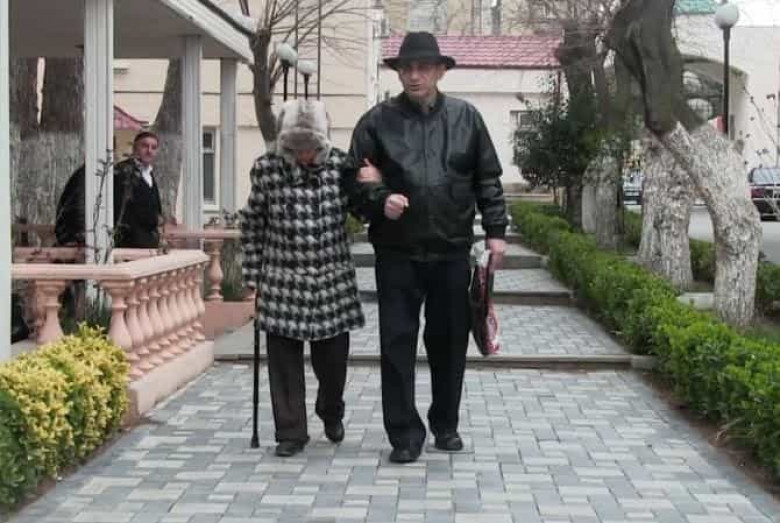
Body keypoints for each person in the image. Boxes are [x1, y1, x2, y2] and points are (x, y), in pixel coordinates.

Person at [349, 31, 508, 463]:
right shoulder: (375, 122)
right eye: (407, 68)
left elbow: (487, 179)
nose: (414, 75)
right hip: (397, 253)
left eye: (423, 68)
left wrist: (496, 232)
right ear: (398, 73)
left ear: (440, 71)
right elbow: (353, 183)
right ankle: (404, 435)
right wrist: (380, 200)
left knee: (450, 342)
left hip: (451, 250)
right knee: (397, 344)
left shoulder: (466, 118)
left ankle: (446, 424)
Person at [240, 99, 366, 458]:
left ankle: (331, 409)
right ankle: (291, 432)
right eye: (297, 149)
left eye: (311, 148)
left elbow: (361, 210)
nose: (305, 155)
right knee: (283, 364)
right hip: (282, 280)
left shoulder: (340, 165)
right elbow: (253, 224)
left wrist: (373, 186)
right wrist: (252, 275)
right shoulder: (266, 169)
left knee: (333, 363)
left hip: (331, 281)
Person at [54, 131, 163, 249]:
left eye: (153, 147)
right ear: (134, 148)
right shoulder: (121, 173)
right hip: (126, 242)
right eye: (145, 146)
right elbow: (81, 205)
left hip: (144, 240)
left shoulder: (148, 174)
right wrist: (81, 236)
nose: (149, 151)